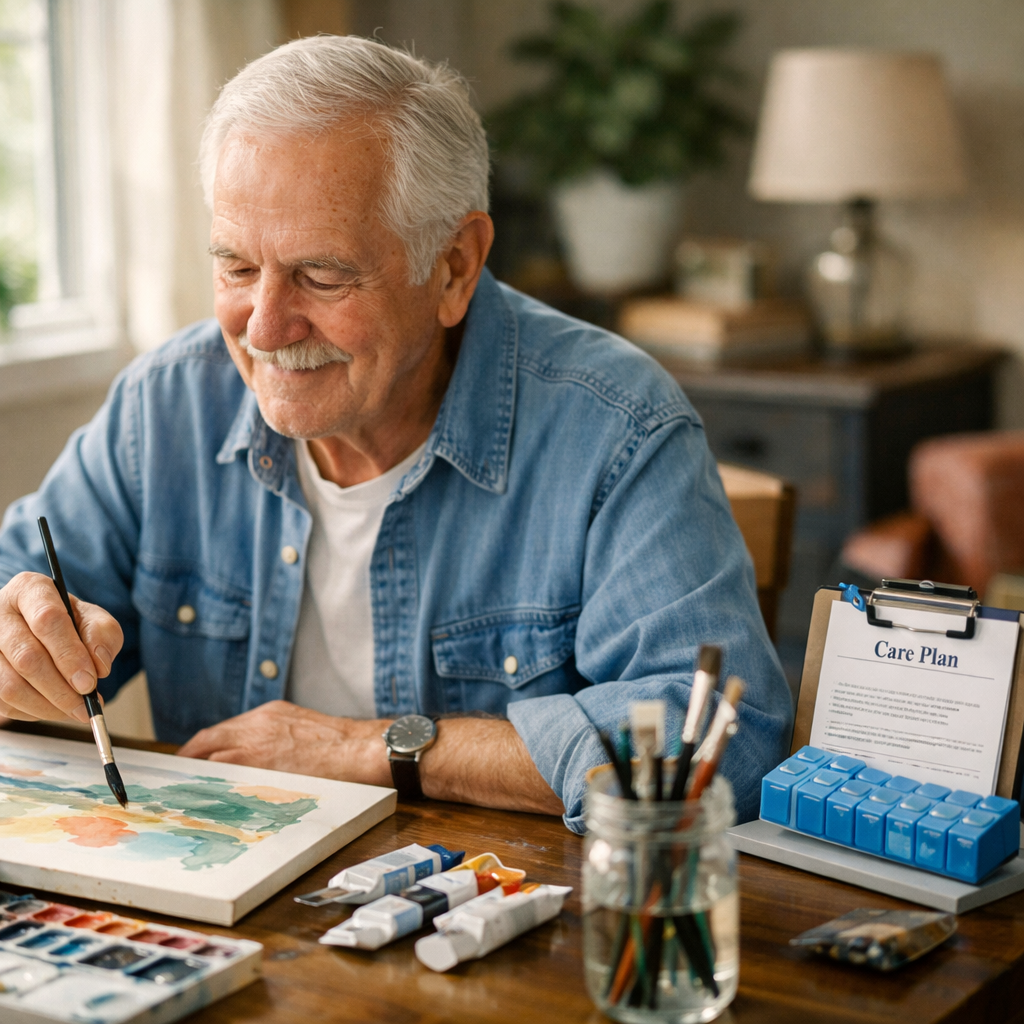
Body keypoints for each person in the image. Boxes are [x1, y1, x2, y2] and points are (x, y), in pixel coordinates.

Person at [0, 36, 791, 832]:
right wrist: (17, 649)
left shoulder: (615, 426)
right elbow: (20, 593)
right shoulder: (165, 405)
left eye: (323, 275)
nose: (265, 327)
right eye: (237, 268)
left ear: (453, 267)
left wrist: (374, 750)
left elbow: (723, 744)